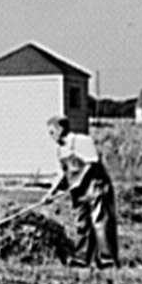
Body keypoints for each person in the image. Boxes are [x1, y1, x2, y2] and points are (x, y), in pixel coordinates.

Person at [41, 115, 119, 268]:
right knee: (81, 224)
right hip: (78, 192)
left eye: (51, 132)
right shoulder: (60, 150)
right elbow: (62, 174)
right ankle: (82, 258)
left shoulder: (82, 141)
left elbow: (91, 164)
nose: (50, 137)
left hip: (96, 187)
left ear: (60, 129)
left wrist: (77, 182)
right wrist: (50, 194)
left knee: (100, 222)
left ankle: (107, 259)